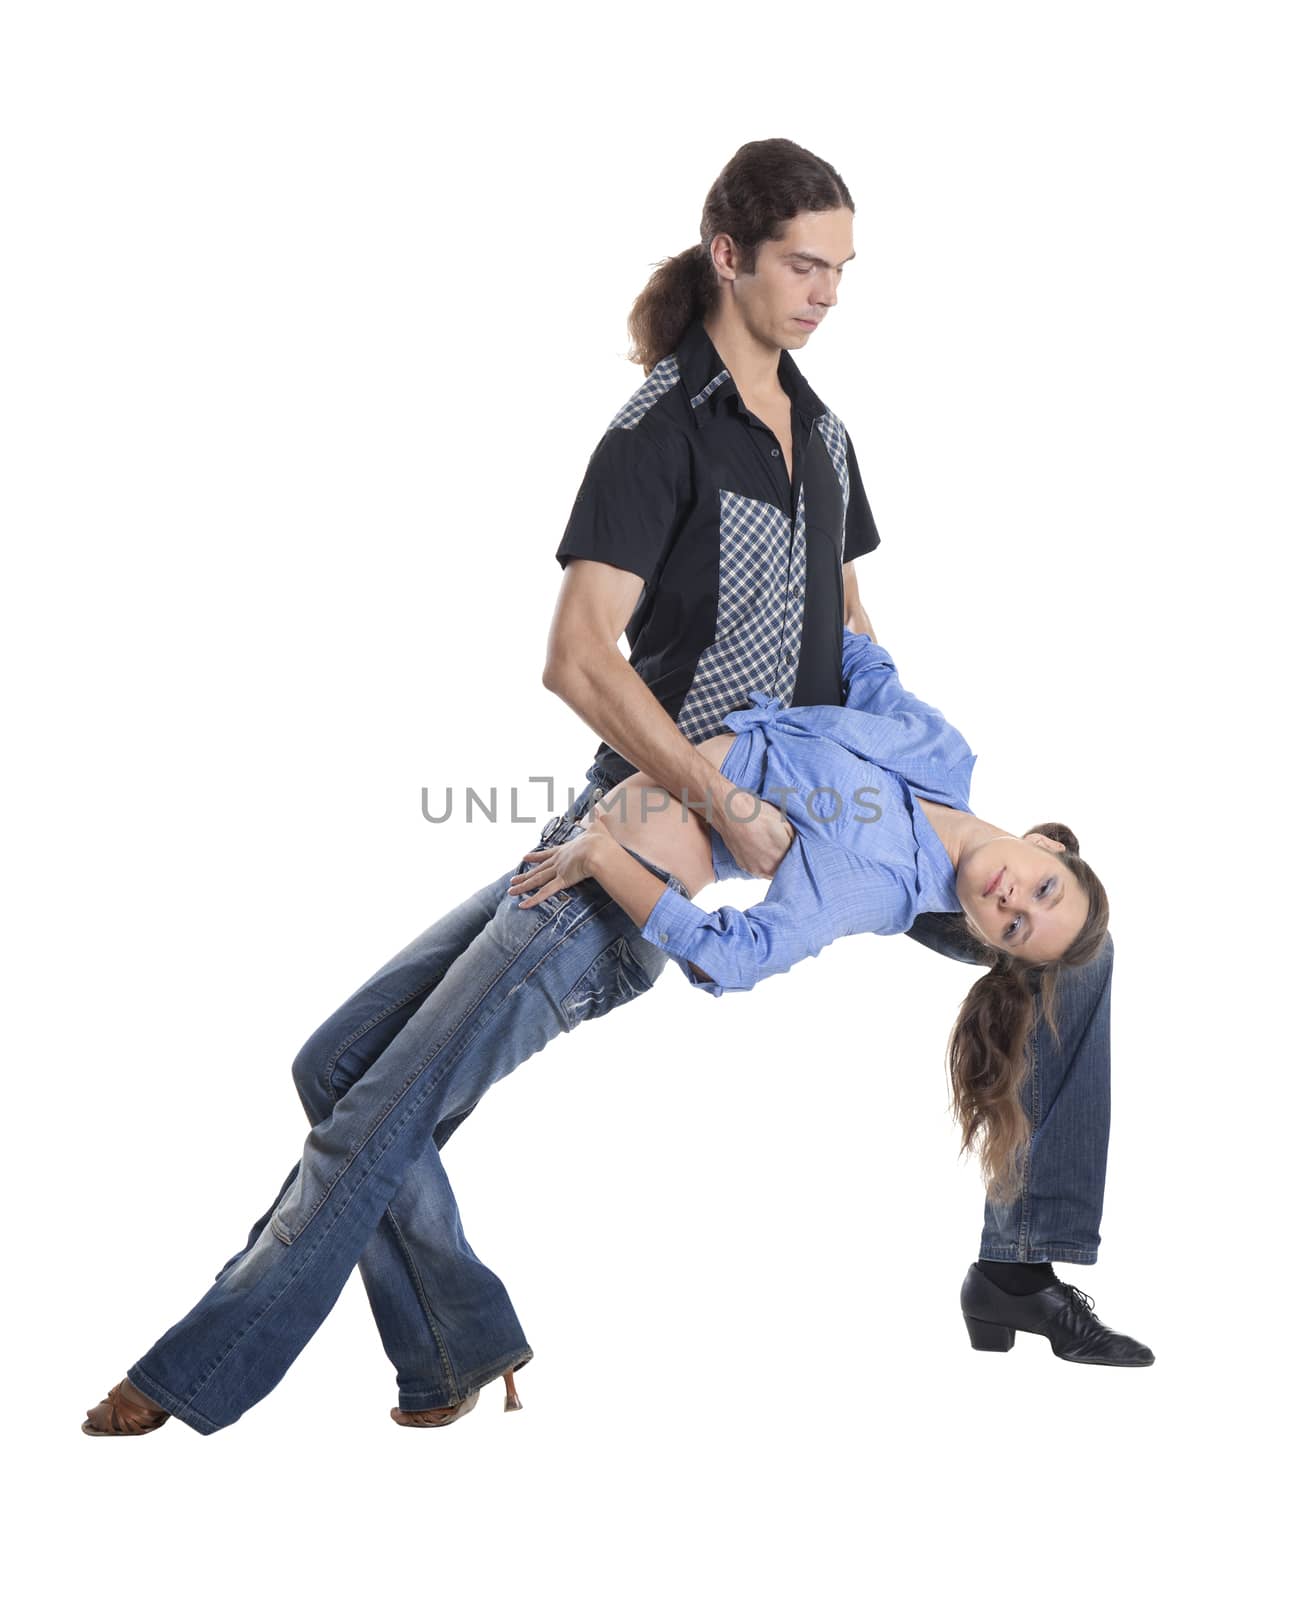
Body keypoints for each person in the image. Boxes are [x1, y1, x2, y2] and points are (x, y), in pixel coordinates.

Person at [81, 138, 1142, 1439]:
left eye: (843, 271)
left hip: (815, 839)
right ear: (728, 254)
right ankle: (453, 1346)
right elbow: (575, 658)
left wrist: (895, 768)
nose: (827, 293)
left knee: (1078, 940)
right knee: (344, 1076)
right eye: (805, 265)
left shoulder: (826, 430)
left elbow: (848, 609)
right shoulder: (656, 439)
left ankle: (1022, 1266)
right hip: (655, 834)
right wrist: (733, 806)